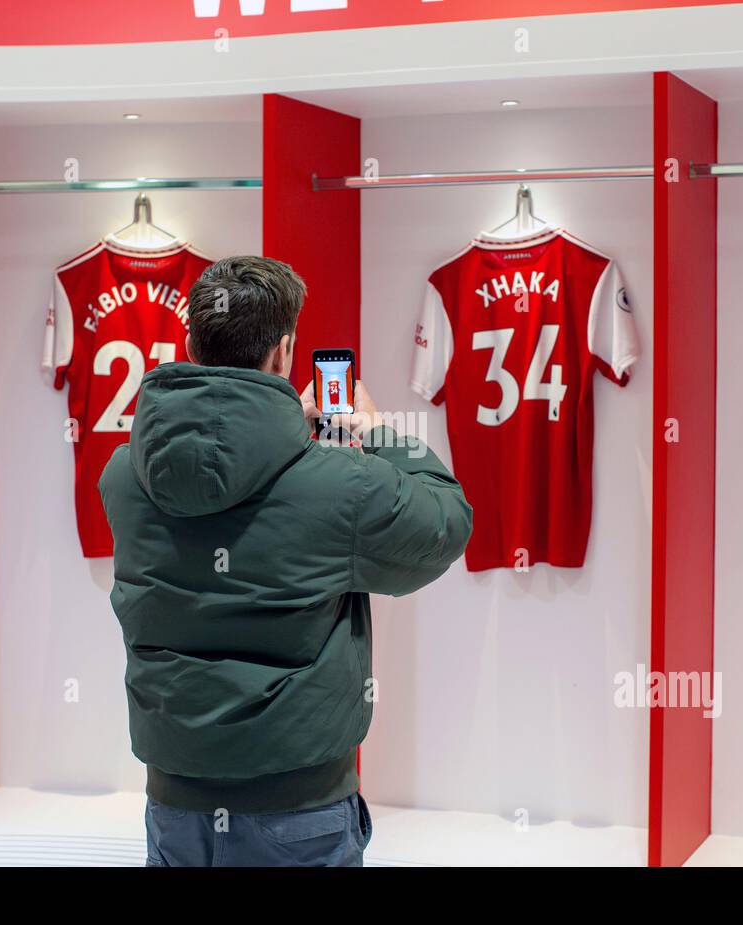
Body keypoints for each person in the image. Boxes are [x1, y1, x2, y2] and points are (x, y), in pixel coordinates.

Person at [98, 255, 472, 867]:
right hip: (298, 809)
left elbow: (220, 491)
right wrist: (377, 432)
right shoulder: (341, 485)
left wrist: (273, 434)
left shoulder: (124, 476)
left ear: (190, 342)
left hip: (174, 806)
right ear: (285, 353)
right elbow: (444, 526)